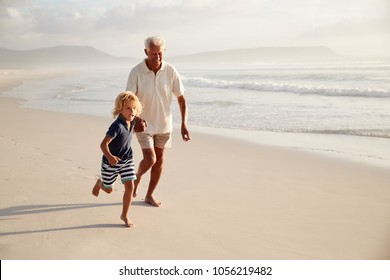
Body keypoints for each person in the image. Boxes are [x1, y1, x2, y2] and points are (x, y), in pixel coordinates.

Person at [126, 35, 191, 207]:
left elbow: (181, 99)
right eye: (153, 54)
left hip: (164, 124)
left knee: (159, 160)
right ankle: (138, 176)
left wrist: (184, 124)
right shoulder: (136, 72)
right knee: (150, 159)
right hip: (143, 123)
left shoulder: (170, 70)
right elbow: (129, 100)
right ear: (146, 52)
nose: (157, 58)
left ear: (164, 52)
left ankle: (149, 195)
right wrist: (136, 119)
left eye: (160, 54)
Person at [92, 91, 145, 227]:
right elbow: (103, 144)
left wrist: (143, 123)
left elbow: (137, 122)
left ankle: (125, 215)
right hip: (110, 163)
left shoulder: (131, 121)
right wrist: (110, 157)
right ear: (119, 109)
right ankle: (100, 184)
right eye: (128, 108)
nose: (132, 111)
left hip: (126, 160)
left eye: (134, 108)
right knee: (109, 190)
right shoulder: (117, 126)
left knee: (130, 186)